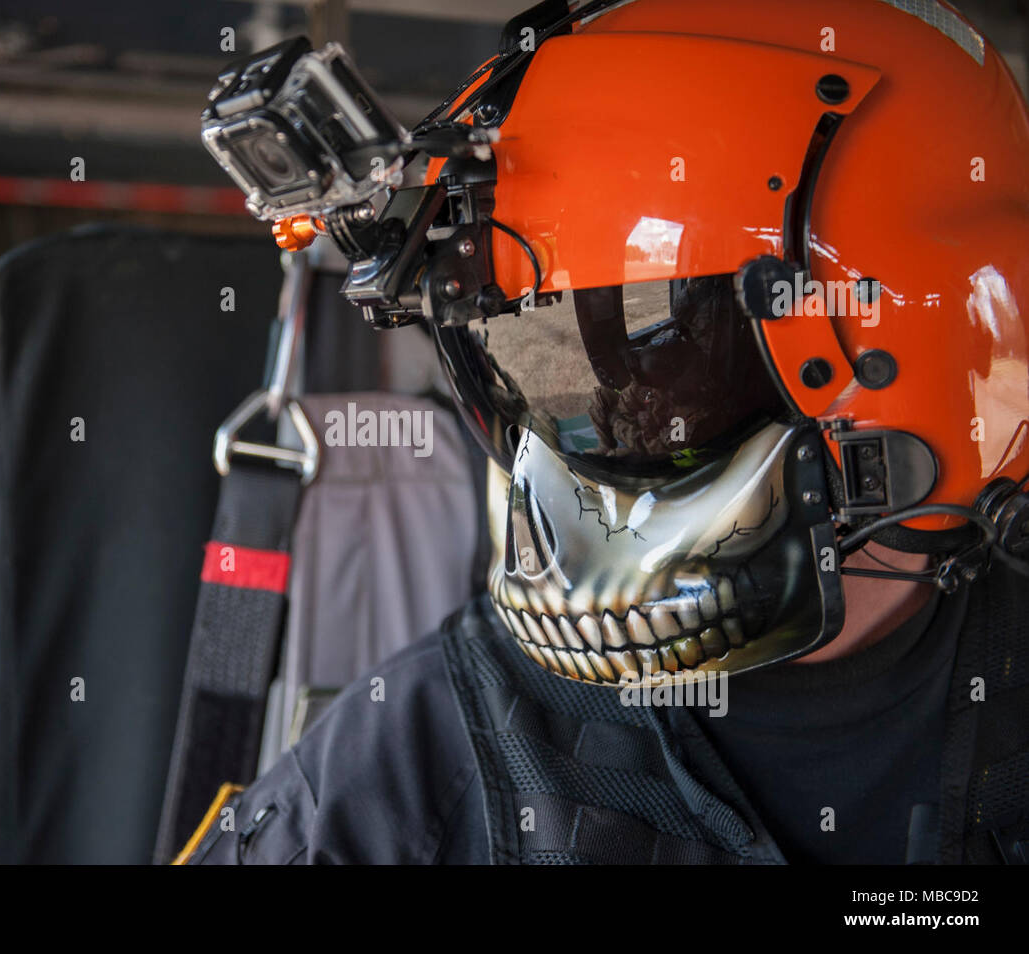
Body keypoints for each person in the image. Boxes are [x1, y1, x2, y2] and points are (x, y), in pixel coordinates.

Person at [177, 0, 1029, 864]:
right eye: (517, 360)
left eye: (663, 350)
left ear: (926, 348)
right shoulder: (397, 780)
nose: (594, 426)